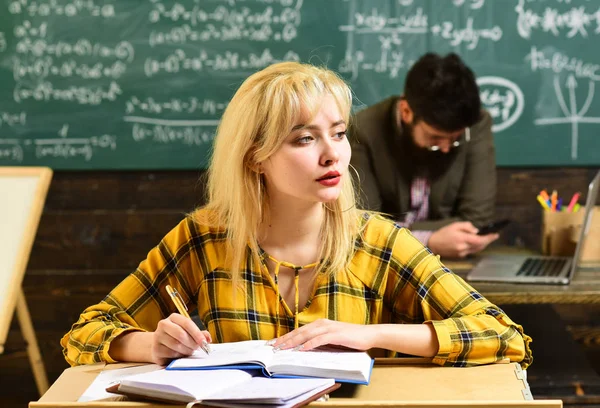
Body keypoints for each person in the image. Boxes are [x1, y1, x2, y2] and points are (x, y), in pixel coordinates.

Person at [61, 61, 531, 369]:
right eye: (304, 139)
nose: (333, 155)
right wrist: (152, 346)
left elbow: (503, 335)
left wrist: (367, 335)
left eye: (340, 133)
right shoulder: (202, 238)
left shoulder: (380, 241)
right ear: (255, 157)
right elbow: (84, 334)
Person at [350, 52, 499, 259]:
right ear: (406, 112)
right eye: (436, 138)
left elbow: (476, 220)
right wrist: (429, 240)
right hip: (384, 265)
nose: (447, 148)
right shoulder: (362, 130)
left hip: (454, 267)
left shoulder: (475, 124)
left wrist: (399, 228)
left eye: (455, 138)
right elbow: (363, 225)